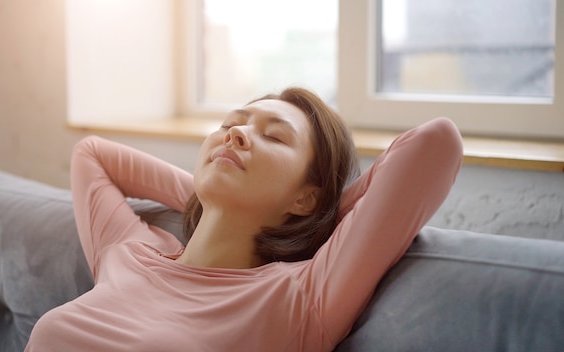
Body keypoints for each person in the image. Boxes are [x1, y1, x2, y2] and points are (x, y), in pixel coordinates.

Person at [25, 87, 463, 351]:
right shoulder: (129, 252)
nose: (236, 134)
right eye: (231, 124)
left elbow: (436, 142)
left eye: (273, 135)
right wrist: (210, 197)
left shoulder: (299, 298)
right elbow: (93, 154)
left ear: (306, 198)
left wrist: (321, 221)